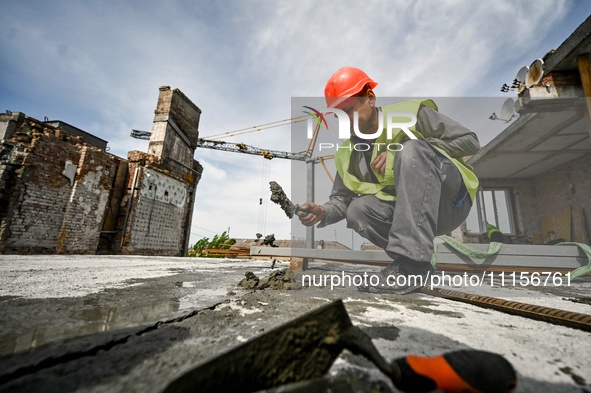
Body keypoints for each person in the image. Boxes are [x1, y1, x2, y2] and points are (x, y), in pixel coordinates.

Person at [298, 67, 480, 293]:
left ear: (370, 99)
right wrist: (323, 212)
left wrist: (401, 152)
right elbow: (342, 200)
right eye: (339, 115)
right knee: (358, 210)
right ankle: (413, 263)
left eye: (349, 110)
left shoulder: (410, 115)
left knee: (412, 149)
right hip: (411, 217)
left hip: (450, 202)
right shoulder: (349, 152)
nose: (346, 120)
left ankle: (411, 265)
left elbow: (470, 141)